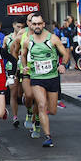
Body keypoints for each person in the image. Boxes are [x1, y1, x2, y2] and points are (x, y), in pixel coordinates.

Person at [21, 13, 69, 148]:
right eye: (34, 24)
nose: (36, 26)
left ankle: (43, 112)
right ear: (31, 25)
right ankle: (48, 136)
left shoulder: (53, 39)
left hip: (52, 77)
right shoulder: (27, 41)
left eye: (39, 24)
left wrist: (62, 65)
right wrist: (25, 67)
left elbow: (65, 54)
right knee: (41, 105)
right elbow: (23, 55)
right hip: (36, 78)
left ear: (43, 24)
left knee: (52, 110)